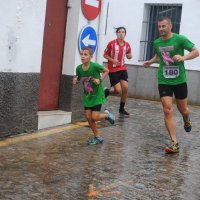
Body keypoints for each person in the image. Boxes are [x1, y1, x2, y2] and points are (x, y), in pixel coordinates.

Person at [143, 16, 199, 153]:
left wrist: (183, 57)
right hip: (164, 79)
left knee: (183, 109)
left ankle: (186, 119)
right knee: (167, 109)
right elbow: (159, 55)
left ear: (170, 26)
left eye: (163, 26)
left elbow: (196, 52)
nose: (161, 29)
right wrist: (150, 62)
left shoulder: (180, 39)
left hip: (179, 80)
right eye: (159, 27)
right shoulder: (156, 42)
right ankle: (175, 143)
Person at [73, 47, 115, 145]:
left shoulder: (95, 66)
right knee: (88, 117)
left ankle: (107, 114)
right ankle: (97, 137)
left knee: (95, 117)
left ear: (91, 57)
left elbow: (107, 70)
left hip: (97, 95)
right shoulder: (79, 68)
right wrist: (76, 80)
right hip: (88, 96)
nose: (82, 56)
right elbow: (78, 77)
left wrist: (99, 80)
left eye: (85, 54)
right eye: (82, 54)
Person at [103, 26, 132, 115]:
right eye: (119, 32)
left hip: (123, 69)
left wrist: (130, 56)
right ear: (116, 33)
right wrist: (113, 60)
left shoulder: (127, 45)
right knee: (117, 90)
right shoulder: (111, 43)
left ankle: (121, 109)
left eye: (123, 32)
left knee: (125, 88)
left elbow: (129, 55)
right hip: (113, 70)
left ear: (125, 34)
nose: (121, 33)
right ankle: (107, 91)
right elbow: (105, 55)